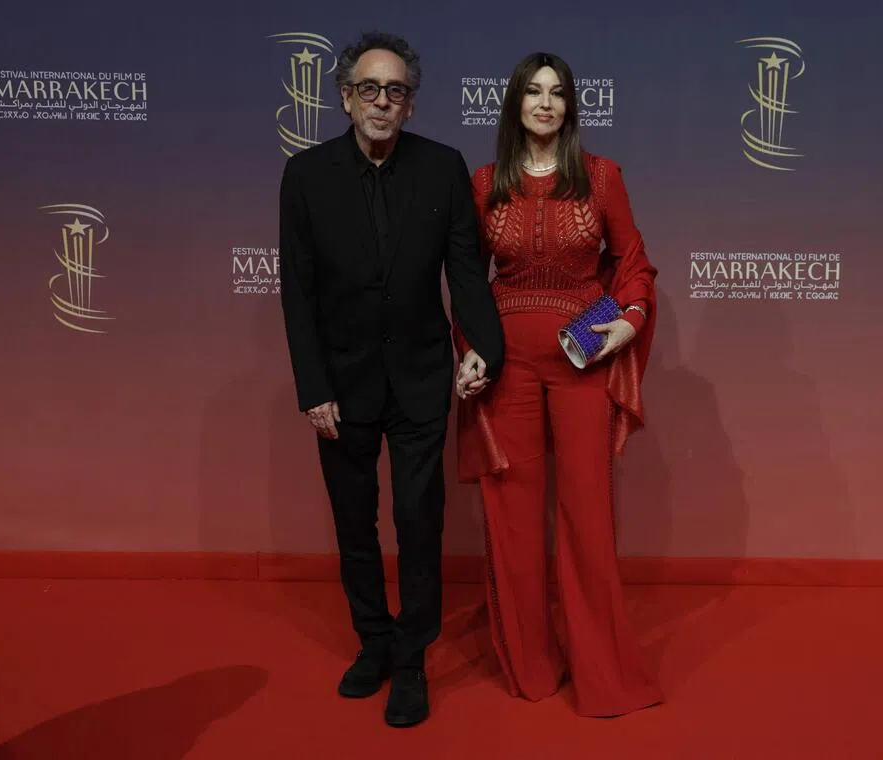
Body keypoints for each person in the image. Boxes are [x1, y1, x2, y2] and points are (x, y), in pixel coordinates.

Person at [278, 31, 503, 728]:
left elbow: (465, 270)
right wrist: (313, 386)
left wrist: (483, 345)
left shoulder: (442, 168)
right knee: (354, 523)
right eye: (369, 89)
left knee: (418, 520)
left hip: (420, 377)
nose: (382, 102)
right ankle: (372, 641)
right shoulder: (305, 176)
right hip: (340, 386)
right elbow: (298, 292)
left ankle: (411, 660)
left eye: (396, 91)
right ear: (345, 98)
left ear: (411, 104)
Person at [452, 51, 662, 717]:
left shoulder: (601, 176)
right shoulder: (485, 182)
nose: (545, 103)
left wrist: (629, 319)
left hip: (583, 361)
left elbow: (633, 264)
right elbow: (467, 280)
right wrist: (469, 350)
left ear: (571, 106)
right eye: (533, 92)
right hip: (506, 367)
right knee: (513, 518)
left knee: (586, 516)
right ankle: (532, 665)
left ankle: (602, 672)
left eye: (557, 93)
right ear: (515, 103)